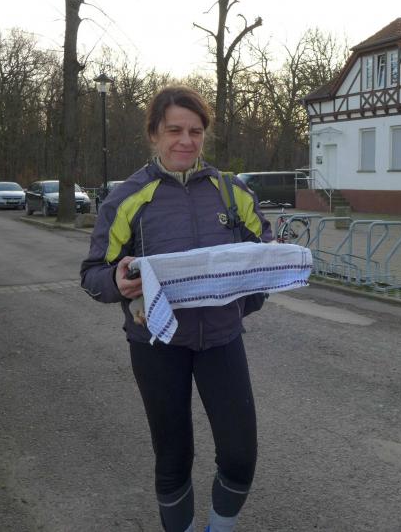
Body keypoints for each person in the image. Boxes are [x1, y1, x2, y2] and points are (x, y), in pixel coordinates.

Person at [80, 85, 272, 532]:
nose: (186, 141)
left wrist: (243, 301)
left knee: (240, 455)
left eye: (195, 131)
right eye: (174, 131)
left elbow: (263, 256)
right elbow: (92, 274)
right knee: (173, 457)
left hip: (221, 339)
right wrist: (116, 283)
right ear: (154, 134)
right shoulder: (127, 197)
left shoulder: (232, 192)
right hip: (156, 343)